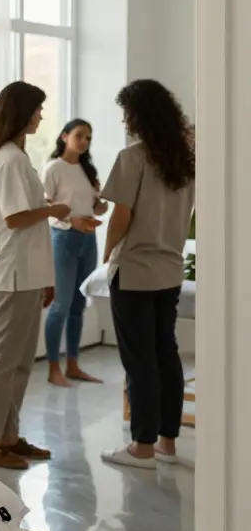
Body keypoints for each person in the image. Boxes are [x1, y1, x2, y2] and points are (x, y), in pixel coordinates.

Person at [99, 79, 196, 469]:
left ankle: (141, 447)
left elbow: (121, 216)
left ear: (140, 115)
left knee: (139, 360)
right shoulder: (185, 160)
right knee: (165, 354)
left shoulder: (133, 157)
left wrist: (107, 252)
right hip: (169, 269)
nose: (125, 120)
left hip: (135, 271)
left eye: (127, 113)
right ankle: (166, 444)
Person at [0, 81, 70, 470]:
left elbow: (22, 217)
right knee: (3, 362)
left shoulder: (15, 157)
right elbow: (15, 218)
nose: (41, 116)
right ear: (22, 112)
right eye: (37, 109)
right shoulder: (9, 159)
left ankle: (7, 435)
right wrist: (54, 210)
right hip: (13, 275)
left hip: (27, 274)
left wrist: (45, 278)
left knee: (18, 364)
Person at [41, 119, 108, 387]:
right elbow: (44, 204)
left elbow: (97, 207)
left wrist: (99, 205)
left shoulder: (87, 170)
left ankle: (73, 365)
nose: (84, 141)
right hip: (63, 238)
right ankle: (53, 368)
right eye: (79, 135)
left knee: (79, 304)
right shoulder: (54, 168)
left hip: (88, 239)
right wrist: (71, 221)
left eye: (88, 138)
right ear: (64, 136)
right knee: (61, 305)